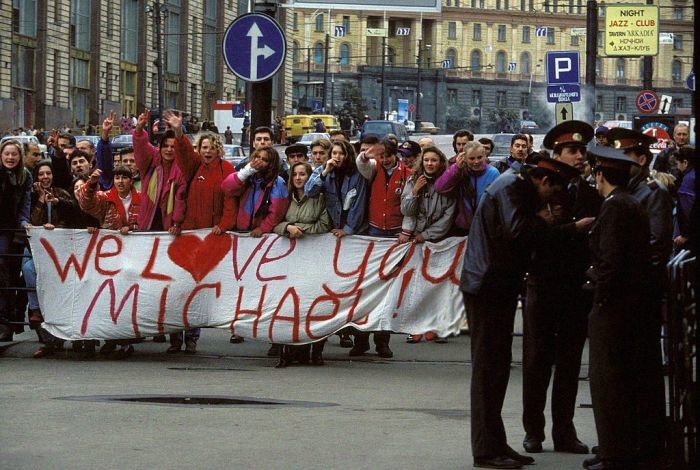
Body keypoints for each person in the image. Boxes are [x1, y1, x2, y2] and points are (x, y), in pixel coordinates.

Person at [462, 155, 580, 469]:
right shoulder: (512, 188)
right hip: (487, 285)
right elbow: (519, 233)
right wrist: (546, 220)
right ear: (543, 181)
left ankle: (496, 442)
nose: (550, 202)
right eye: (551, 193)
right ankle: (486, 449)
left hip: (493, 284)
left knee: (497, 368)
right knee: (488, 370)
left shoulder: (512, 186)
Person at [583, 146, 665, 470]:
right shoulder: (629, 203)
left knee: (608, 381)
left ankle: (614, 452)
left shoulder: (615, 207)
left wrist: (598, 294)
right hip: (629, 306)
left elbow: (611, 261)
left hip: (614, 308)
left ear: (600, 175)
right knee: (621, 380)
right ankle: (617, 447)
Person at [522, 121, 600, 456]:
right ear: (557, 154)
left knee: (569, 364)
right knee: (538, 361)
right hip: (542, 282)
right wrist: (571, 230)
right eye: (573, 151)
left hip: (575, 287)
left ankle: (564, 431)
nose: (580, 157)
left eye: (583, 151)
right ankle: (534, 432)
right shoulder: (537, 189)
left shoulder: (589, 192)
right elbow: (532, 235)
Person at [168, 110, 236, 352]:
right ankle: (175, 335)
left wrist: (224, 225)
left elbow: (231, 200)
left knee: (199, 290)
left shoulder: (227, 169)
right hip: (189, 235)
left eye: (211, 147)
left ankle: (192, 336)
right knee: (180, 288)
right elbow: (183, 152)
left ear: (218, 149)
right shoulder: (193, 166)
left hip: (213, 237)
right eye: (203, 147)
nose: (207, 151)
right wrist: (178, 131)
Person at [222, 146, 289, 351]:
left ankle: (274, 338)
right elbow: (227, 188)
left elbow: (276, 211)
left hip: (263, 240)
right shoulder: (249, 179)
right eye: (256, 157)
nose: (259, 161)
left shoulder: (277, 183)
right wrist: (247, 170)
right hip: (243, 236)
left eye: (264, 159)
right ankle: (241, 327)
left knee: (268, 291)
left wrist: (263, 228)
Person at [353, 137, 411, 358]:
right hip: (375, 231)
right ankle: (361, 339)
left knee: (388, 290)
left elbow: (409, 205)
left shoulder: (406, 174)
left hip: (395, 234)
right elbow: (362, 165)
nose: (385, 160)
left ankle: (382, 341)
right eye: (382, 155)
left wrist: (405, 231)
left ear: (395, 155)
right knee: (367, 287)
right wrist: (367, 154)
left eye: (388, 156)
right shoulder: (374, 168)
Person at [74, 166, 141, 358]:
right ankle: (112, 340)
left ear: (131, 180)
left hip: (135, 254)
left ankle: (125, 341)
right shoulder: (105, 197)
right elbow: (86, 203)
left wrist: (133, 227)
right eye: (117, 178)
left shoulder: (142, 198)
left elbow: (147, 221)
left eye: (124, 178)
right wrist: (92, 183)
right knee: (110, 297)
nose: (120, 181)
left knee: (128, 298)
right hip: (110, 256)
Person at [273, 161, 332, 365]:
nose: (298, 178)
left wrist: (300, 230)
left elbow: (324, 225)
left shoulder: (319, 199)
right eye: (295, 175)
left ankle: (316, 350)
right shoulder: (285, 199)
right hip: (288, 262)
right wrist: (287, 228)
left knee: (314, 307)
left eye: (303, 174)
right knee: (288, 307)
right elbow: (274, 222)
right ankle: (288, 350)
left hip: (314, 260)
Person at [23, 161, 77, 356]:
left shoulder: (61, 192)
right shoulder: (31, 195)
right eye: (41, 174)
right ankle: (36, 310)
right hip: (37, 247)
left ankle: (63, 338)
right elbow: (33, 221)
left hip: (59, 248)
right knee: (28, 267)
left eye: (48, 173)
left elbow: (72, 211)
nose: (45, 177)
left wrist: (56, 204)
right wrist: (39, 200)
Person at [0, 140, 32, 342]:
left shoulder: (25, 176)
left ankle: (9, 323)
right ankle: (3, 320)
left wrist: (24, 221)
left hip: (15, 230)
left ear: (19, 157)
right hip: (1, 230)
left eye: (14, 154)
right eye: (6, 154)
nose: (10, 157)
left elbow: (26, 201)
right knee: (1, 266)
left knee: (13, 275)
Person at [305, 139, 368, 239]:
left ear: (348, 155)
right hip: (334, 225)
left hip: (356, 229)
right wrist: (325, 173)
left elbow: (359, 204)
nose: (337, 157)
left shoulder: (357, 173)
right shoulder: (323, 169)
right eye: (334, 153)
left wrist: (348, 229)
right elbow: (309, 192)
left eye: (341, 153)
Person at [435, 141, 499, 237]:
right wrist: (456, 168)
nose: (476, 162)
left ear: (485, 156)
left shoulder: (493, 173)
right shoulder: (460, 171)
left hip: (485, 225)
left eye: (479, 157)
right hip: (464, 226)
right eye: (472, 158)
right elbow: (440, 188)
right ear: (465, 159)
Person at [674, 146, 695, 250]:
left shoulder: (688, 180)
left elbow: (688, 210)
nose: (677, 167)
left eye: (677, 163)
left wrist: (686, 235)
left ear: (685, 163)